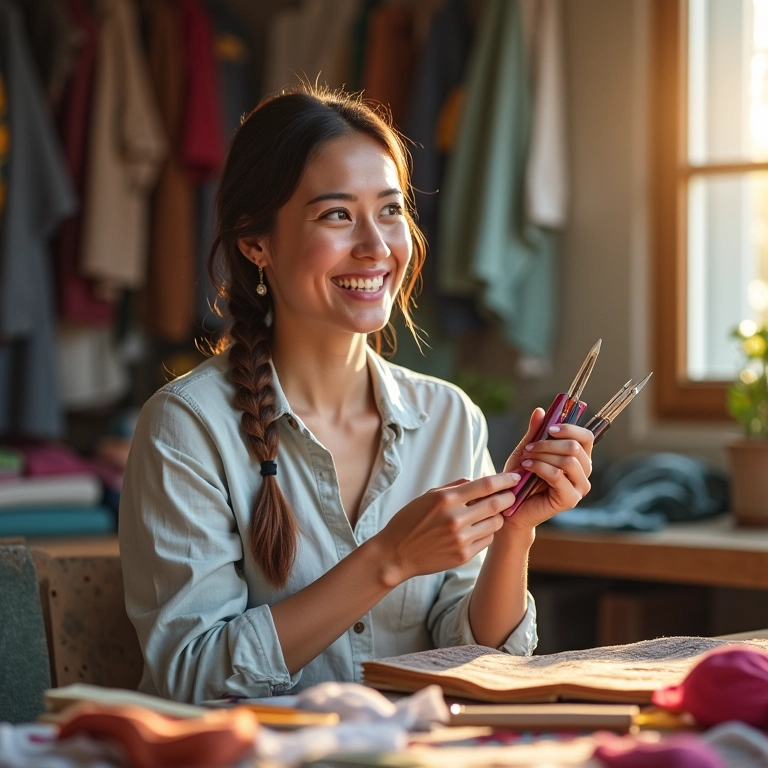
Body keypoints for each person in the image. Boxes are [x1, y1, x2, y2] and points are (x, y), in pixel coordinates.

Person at [119, 86, 594, 704]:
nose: (376, 247)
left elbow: (476, 657)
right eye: (336, 215)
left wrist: (514, 533)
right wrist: (387, 559)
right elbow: (192, 676)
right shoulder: (188, 427)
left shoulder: (449, 416)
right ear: (255, 242)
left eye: (391, 211)